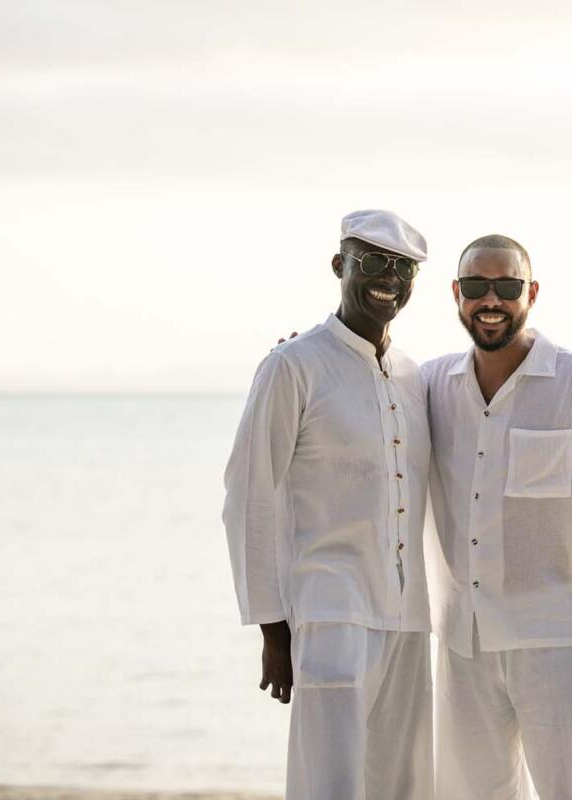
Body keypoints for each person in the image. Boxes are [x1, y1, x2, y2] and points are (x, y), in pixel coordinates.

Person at [422, 234, 572, 799]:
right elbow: (371, 391)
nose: (491, 300)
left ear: (531, 294)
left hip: (557, 641)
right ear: (457, 294)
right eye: (477, 286)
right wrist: (300, 358)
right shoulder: (431, 384)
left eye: (507, 286)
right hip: (464, 644)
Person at [222, 209, 434, 800]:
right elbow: (248, 497)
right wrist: (273, 630)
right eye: (374, 262)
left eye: (403, 268)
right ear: (340, 265)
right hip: (330, 613)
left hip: (411, 620)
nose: (388, 278)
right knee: (329, 786)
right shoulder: (292, 366)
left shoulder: (415, 377)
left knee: (404, 787)